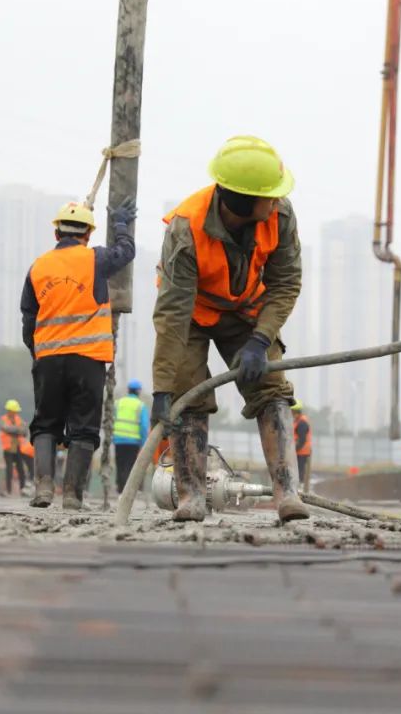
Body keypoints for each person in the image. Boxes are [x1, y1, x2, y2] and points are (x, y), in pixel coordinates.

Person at [152, 135, 308, 523]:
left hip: (246, 310)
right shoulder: (186, 231)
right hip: (191, 312)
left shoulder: (281, 216)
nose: (277, 201)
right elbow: (172, 313)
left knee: (271, 387)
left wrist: (260, 339)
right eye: (269, 196)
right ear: (242, 200)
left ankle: (288, 494)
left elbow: (286, 282)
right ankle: (191, 497)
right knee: (188, 394)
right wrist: (163, 388)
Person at [21, 197, 137, 509]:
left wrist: (38, 352)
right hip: (87, 359)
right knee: (83, 427)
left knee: (45, 423)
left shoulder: (39, 266)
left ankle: (43, 488)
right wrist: (122, 225)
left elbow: (28, 318)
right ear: (87, 234)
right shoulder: (95, 259)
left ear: (57, 234)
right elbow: (126, 252)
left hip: (48, 359)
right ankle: (72, 496)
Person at [113, 378, 149, 493]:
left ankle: (120, 489)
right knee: (130, 466)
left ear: (128, 390)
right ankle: (128, 491)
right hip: (133, 441)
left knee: (120, 465)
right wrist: (143, 443)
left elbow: (111, 420)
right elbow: (144, 426)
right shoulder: (140, 405)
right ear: (138, 391)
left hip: (118, 440)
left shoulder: (118, 403)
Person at [0, 399, 29, 494]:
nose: (16, 412)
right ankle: (8, 490)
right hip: (8, 448)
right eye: (15, 411)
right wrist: (18, 430)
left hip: (18, 448)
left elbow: (25, 430)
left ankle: (23, 489)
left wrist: (14, 430)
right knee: (9, 470)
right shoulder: (3, 419)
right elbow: (6, 429)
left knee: (21, 469)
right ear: (10, 410)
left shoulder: (18, 419)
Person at [292, 400, 313, 494]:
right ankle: (297, 489)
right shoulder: (297, 421)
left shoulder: (302, 423)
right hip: (298, 452)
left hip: (302, 452)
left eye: (292, 411)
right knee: (296, 472)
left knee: (300, 472)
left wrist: (294, 450)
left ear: (296, 411)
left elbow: (302, 440)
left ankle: (300, 490)